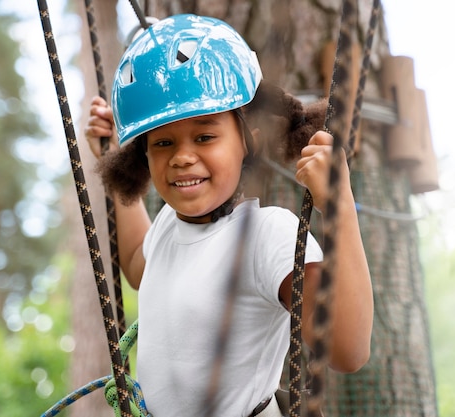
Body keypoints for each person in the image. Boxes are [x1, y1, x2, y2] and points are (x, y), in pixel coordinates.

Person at [84, 14, 373, 417]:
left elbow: (347, 349)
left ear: (248, 142)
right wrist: (108, 151)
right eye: (163, 142)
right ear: (144, 156)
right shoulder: (169, 223)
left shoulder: (267, 236)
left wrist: (340, 208)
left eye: (205, 136)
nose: (183, 157)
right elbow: (137, 264)